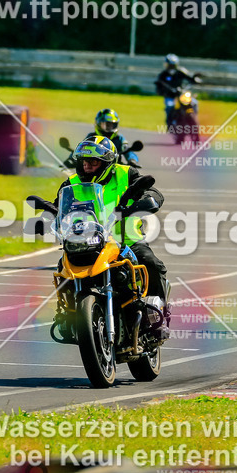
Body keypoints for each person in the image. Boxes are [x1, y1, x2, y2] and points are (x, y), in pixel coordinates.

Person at [56, 136, 170, 338]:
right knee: (63, 269)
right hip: (89, 241)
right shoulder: (72, 183)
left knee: (150, 263)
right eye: (85, 162)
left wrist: (143, 202)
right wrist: (47, 217)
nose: (88, 166)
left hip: (127, 241)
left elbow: (152, 191)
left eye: (93, 162)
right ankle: (69, 317)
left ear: (107, 163)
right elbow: (59, 206)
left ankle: (157, 316)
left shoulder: (126, 174)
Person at [154, 53, 202, 126]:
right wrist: (163, 91)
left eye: (172, 65)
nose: (170, 67)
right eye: (169, 65)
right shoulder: (163, 75)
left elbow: (190, 77)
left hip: (181, 93)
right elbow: (159, 85)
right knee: (170, 106)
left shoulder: (180, 71)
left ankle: (194, 117)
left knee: (194, 102)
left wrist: (195, 79)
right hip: (170, 95)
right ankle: (170, 123)